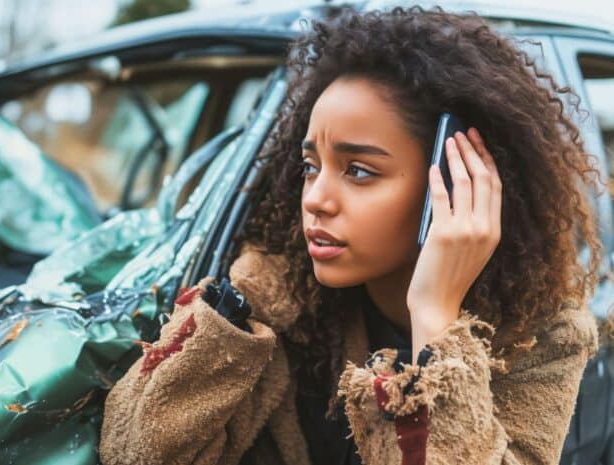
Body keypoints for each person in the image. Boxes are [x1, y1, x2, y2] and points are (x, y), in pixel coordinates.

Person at [98, 6, 604, 465]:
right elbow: (134, 453)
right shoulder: (271, 299)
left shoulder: (541, 336)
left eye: (359, 171)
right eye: (310, 166)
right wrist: (228, 318)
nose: (316, 197)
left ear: (451, 183)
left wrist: (433, 321)